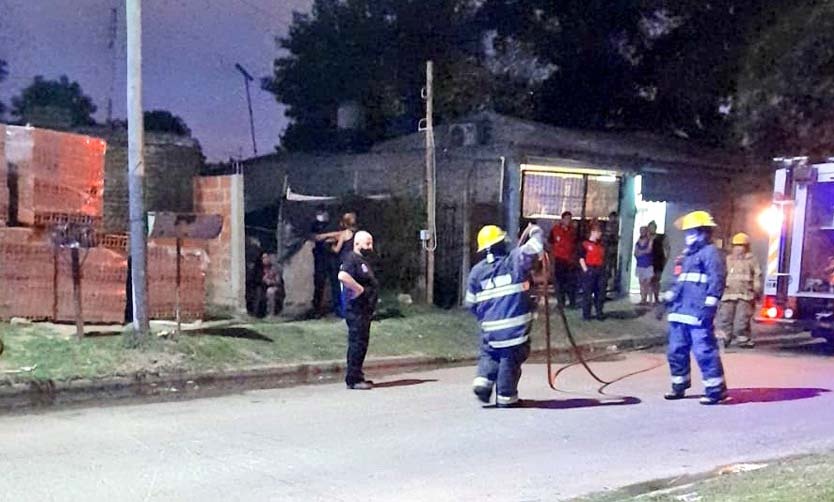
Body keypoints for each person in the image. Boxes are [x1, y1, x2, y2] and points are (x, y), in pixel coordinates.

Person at [466, 223, 544, 408]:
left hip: (490, 332)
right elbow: (536, 247)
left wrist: (487, 319)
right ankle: (506, 397)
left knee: (490, 354)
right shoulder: (514, 261)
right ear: (501, 244)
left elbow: (470, 303)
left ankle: (482, 382)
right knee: (510, 360)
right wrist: (535, 230)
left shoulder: (476, 272)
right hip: (514, 332)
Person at [661, 210, 728, 405]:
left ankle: (716, 390)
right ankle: (679, 385)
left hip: (698, 311)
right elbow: (681, 281)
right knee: (675, 350)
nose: (688, 236)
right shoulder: (687, 255)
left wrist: (710, 306)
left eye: (692, 232)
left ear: (703, 232)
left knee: (704, 351)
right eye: (687, 232)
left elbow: (717, 280)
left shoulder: (711, 253)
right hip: (680, 311)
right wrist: (670, 296)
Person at [338, 230, 379, 390]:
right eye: (367, 243)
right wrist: (359, 289)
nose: (370, 246)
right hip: (356, 309)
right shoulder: (352, 259)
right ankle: (353, 379)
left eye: (371, 243)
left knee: (362, 343)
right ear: (357, 243)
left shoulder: (363, 260)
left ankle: (358, 375)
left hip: (365, 310)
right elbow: (343, 276)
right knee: (357, 343)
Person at [719, 232, 762, 348]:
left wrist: (757, 289)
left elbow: (757, 274)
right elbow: (721, 274)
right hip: (728, 294)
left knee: (742, 318)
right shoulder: (728, 259)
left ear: (747, 247)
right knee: (725, 318)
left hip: (745, 294)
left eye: (741, 245)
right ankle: (723, 338)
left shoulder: (752, 260)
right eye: (737, 245)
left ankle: (742, 338)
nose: (739, 248)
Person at [311, 207, 341, 317]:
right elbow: (316, 237)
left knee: (335, 282)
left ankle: (337, 308)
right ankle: (316, 309)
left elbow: (339, 236)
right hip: (320, 257)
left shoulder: (332, 224)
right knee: (319, 283)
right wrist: (329, 236)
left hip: (332, 257)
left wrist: (327, 237)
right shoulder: (315, 225)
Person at [548, 211, 578, 308]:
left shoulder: (573, 231)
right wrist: (551, 259)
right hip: (559, 260)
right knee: (559, 282)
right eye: (566, 219)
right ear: (562, 219)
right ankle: (561, 302)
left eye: (569, 219)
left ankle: (572, 302)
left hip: (571, 261)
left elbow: (577, 244)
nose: (568, 221)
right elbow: (550, 243)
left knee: (571, 282)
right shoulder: (555, 230)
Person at [579, 224, 606, 320]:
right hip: (590, 269)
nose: (600, 234)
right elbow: (581, 258)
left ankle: (599, 312)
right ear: (593, 232)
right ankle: (586, 314)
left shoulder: (601, 245)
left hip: (600, 269)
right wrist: (586, 270)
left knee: (600, 293)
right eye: (598, 232)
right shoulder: (585, 244)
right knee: (587, 293)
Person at [648, 220, 670, 304]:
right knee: (648, 280)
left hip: (658, 261)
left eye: (653, 227)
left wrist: (666, 258)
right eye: (650, 227)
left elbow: (667, 247)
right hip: (648, 261)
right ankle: (648, 299)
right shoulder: (646, 237)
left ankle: (656, 298)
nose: (651, 229)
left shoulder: (661, 237)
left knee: (656, 280)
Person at [258, 252, 284, 318]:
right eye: (263, 258)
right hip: (264, 287)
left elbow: (278, 282)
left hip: (276, 288)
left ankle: (271, 313)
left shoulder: (275, 268)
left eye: (266, 257)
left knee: (270, 292)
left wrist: (269, 281)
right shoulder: (261, 268)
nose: (264, 259)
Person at [634, 226, 654, 305]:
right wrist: (642, 252)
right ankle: (643, 299)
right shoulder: (638, 241)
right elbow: (635, 253)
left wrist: (641, 252)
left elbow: (649, 250)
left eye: (643, 230)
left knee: (648, 283)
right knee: (641, 283)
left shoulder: (650, 240)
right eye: (640, 230)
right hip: (640, 264)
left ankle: (650, 300)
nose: (642, 232)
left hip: (648, 264)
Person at [603, 211, 620, 294]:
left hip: (613, 252)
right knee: (607, 270)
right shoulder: (606, 227)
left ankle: (611, 286)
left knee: (612, 270)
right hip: (607, 252)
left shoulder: (617, 227)